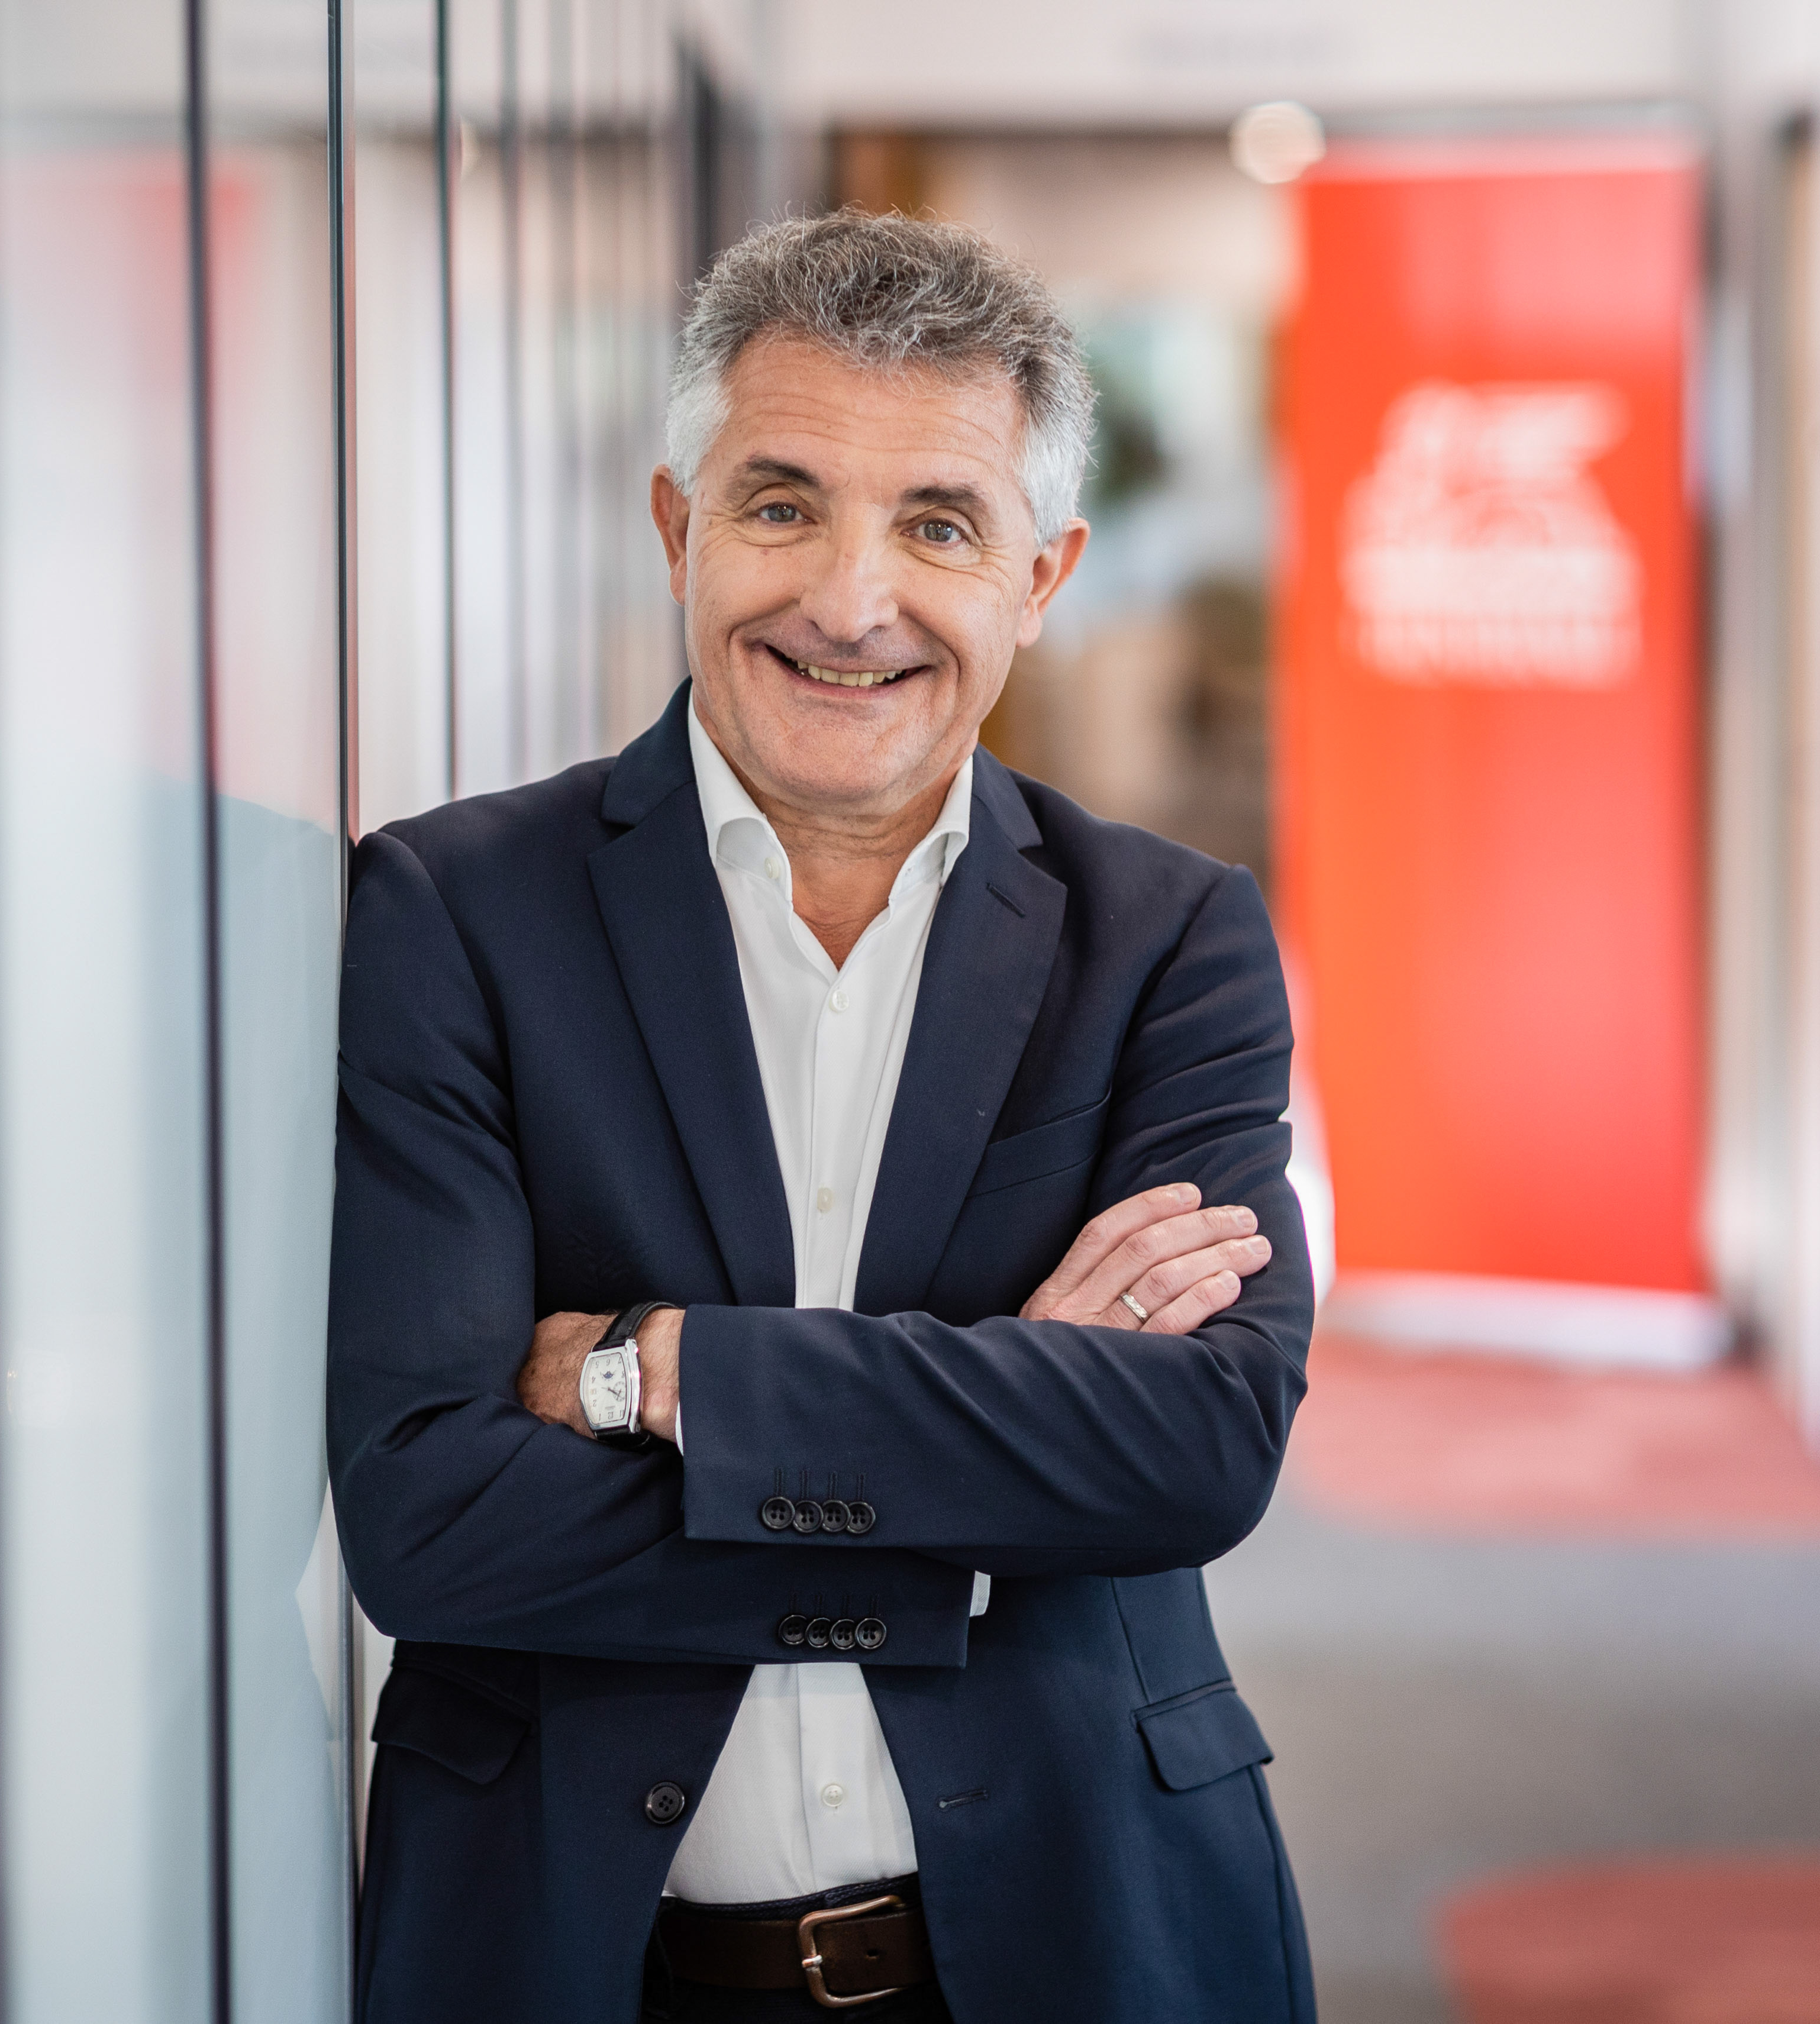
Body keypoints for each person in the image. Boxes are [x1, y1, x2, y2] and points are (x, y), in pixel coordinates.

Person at [330, 211, 1315, 2023]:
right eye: (781, 506)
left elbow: (1196, 1449)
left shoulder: (1167, 938)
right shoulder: (452, 912)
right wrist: (988, 1481)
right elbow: (432, 1519)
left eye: (938, 525)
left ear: (1040, 576)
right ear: (675, 529)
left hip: (1082, 1934)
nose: (850, 604)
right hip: (578, 1956)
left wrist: (658, 1373)